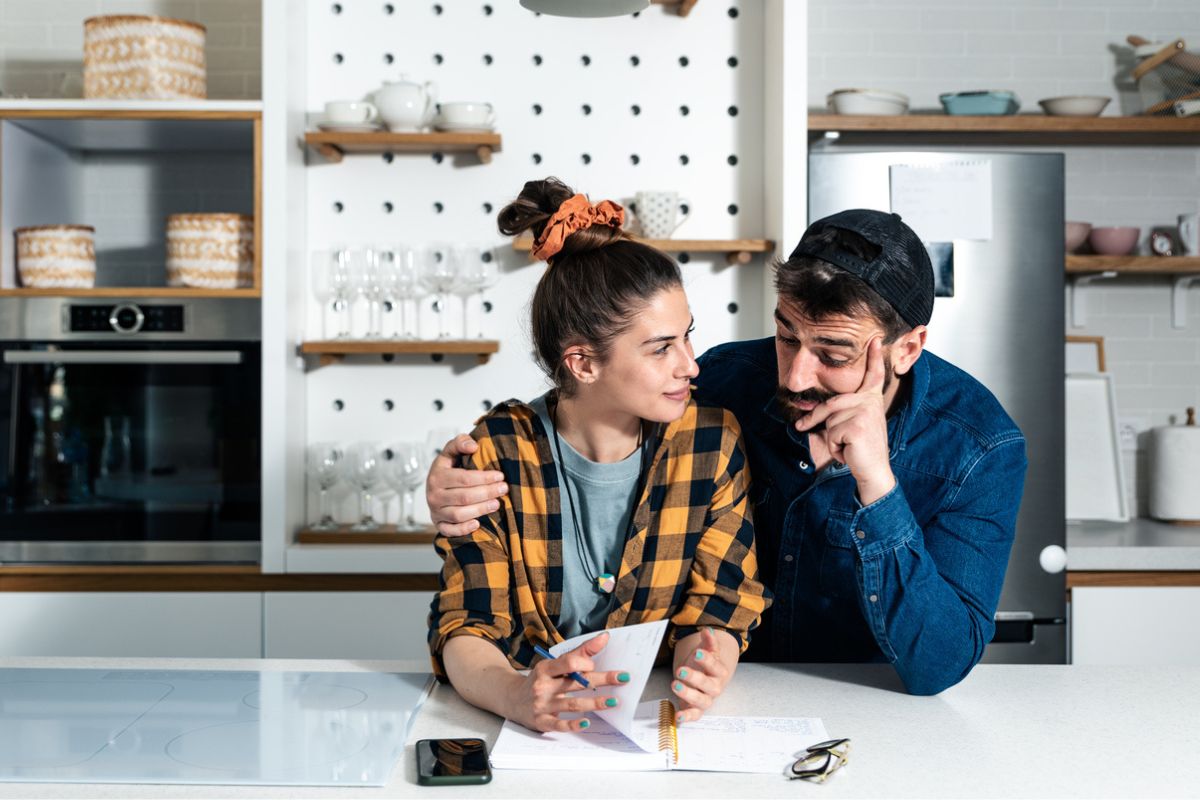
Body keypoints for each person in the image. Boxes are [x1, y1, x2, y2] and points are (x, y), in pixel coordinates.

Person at [427, 208, 1027, 697]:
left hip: (872, 706)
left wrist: (878, 484)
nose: (794, 376)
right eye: (786, 335)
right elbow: (593, 401)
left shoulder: (979, 448)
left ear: (908, 348)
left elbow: (940, 667)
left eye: (835, 355)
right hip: (729, 701)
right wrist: (459, 476)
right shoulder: (726, 382)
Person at [428, 178, 772, 733]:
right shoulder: (496, 450)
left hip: (647, 720)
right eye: (662, 348)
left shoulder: (710, 440)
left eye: (686, 337)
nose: (691, 365)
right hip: (521, 730)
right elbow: (466, 627)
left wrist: (707, 664)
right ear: (583, 363)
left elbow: (719, 603)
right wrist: (518, 696)